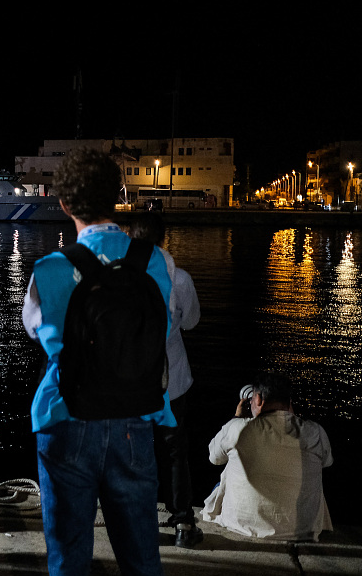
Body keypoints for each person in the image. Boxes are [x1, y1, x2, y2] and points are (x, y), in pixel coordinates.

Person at [22, 149, 176, 576]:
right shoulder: (157, 261)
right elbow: (163, 327)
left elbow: (36, 330)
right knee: (142, 555)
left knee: (69, 556)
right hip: (136, 417)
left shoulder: (49, 268)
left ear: (65, 204)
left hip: (67, 415)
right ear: (117, 197)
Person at [130, 212, 203, 548]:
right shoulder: (181, 280)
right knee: (176, 451)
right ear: (163, 239)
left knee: (136, 451)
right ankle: (182, 519)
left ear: (130, 236)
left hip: (131, 383)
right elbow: (191, 322)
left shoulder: (119, 279)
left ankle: (139, 519)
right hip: (172, 379)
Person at [201, 373, 333, 541]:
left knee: (228, 470)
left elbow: (214, 458)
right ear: (289, 402)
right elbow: (326, 463)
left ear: (257, 400)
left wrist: (236, 419)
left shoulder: (237, 428)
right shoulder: (315, 432)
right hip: (303, 530)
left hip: (242, 524)